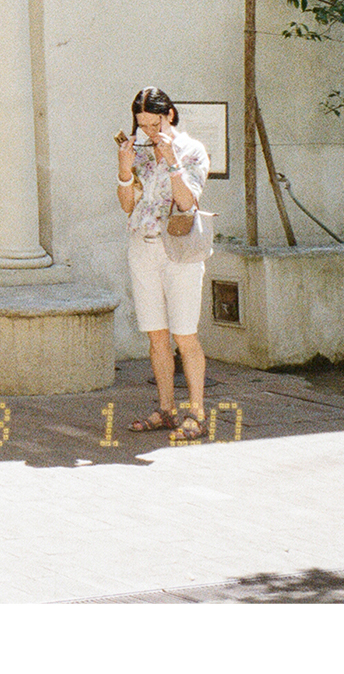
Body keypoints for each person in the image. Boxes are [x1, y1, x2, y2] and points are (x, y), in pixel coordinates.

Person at [115, 86, 210, 440]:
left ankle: (197, 413)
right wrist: (125, 170)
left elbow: (187, 202)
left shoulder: (192, 150)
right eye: (142, 124)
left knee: (185, 334)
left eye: (154, 123)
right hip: (143, 245)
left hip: (180, 247)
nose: (148, 132)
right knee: (156, 335)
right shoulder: (139, 150)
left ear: (169, 114)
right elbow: (128, 205)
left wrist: (170, 161)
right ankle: (167, 408)